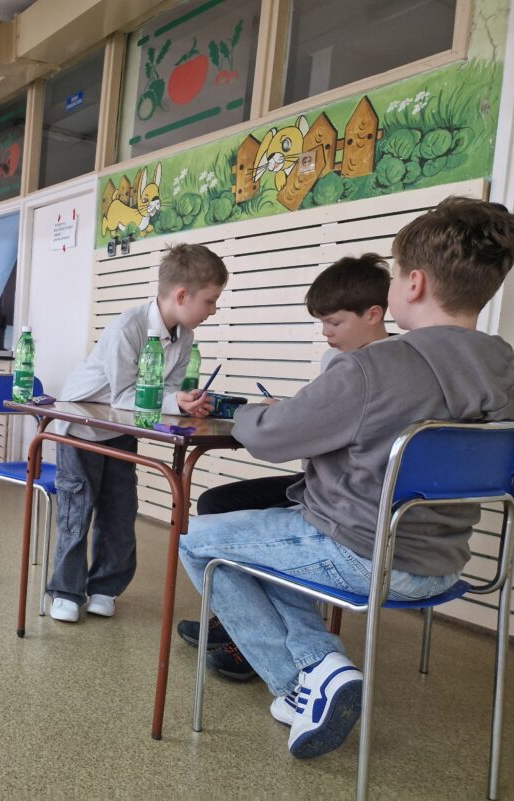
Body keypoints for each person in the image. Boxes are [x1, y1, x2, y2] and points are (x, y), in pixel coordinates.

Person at [178, 197, 514, 760]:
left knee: (198, 542)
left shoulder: (373, 366)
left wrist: (246, 413)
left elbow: (273, 437)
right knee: (272, 549)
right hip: (444, 564)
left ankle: (300, 681)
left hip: (359, 553)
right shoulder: (505, 367)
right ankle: (322, 665)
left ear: (413, 283)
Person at [178, 254, 392, 680]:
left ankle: (280, 661)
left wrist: (256, 414)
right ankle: (245, 623)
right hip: (351, 492)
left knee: (203, 529)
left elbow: (283, 437)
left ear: (374, 314)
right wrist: (294, 411)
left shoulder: (360, 369)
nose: (326, 333)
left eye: (334, 323)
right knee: (218, 501)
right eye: (322, 323)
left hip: (344, 501)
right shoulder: (376, 364)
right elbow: (330, 419)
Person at [47, 243, 229, 623]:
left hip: (120, 427)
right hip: (81, 427)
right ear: (182, 295)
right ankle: (65, 590)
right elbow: (124, 395)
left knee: (120, 511)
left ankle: (104, 587)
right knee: (77, 512)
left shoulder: (185, 337)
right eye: (210, 301)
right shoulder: (127, 328)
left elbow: (165, 392)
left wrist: (184, 401)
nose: (213, 310)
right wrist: (172, 401)